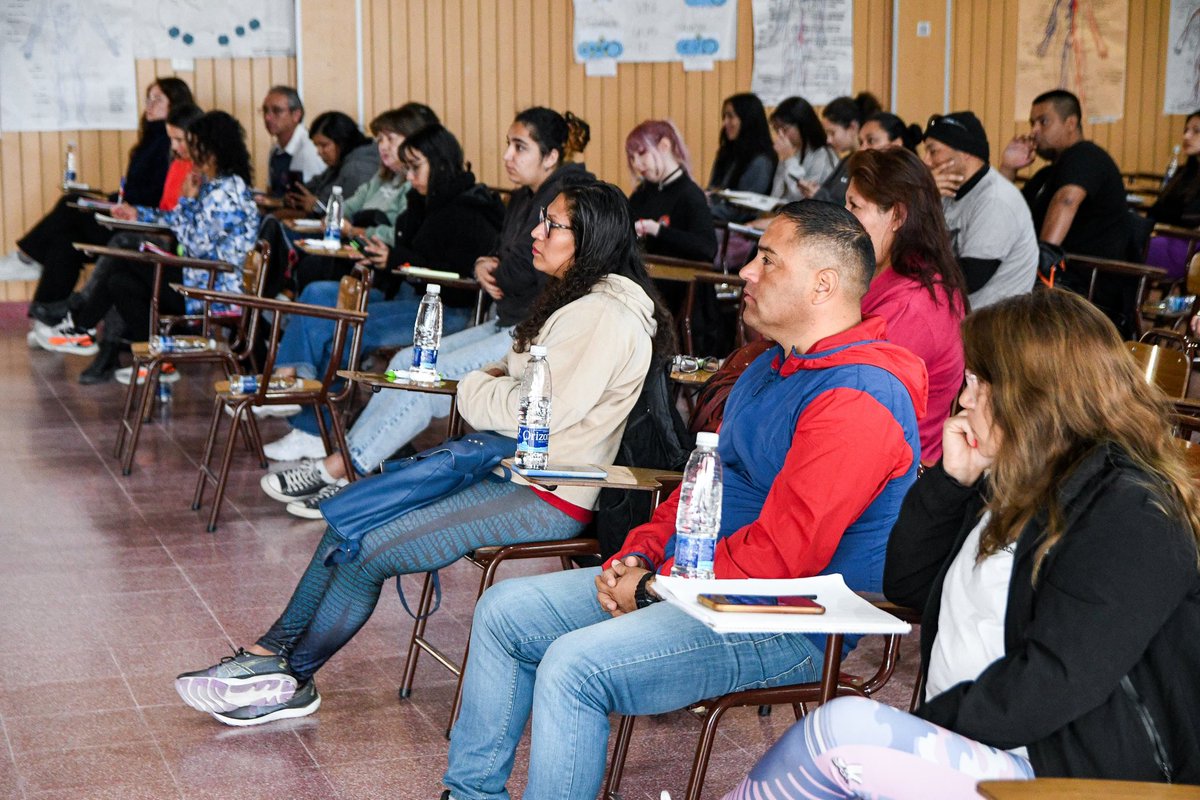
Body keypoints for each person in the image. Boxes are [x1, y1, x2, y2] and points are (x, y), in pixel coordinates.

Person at [439, 201, 927, 800]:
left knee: (574, 668)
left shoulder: (860, 395)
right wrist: (640, 556)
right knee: (504, 612)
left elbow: (784, 554)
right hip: (701, 585)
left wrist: (654, 586)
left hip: (790, 621)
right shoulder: (771, 365)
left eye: (768, 259)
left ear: (823, 284)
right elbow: (700, 487)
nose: (746, 271)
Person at [173, 180, 674, 726]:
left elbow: (532, 408)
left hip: (549, 495)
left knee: (371, 549)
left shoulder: (602, 314)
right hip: (512, 473)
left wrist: (476, 388)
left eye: (552, 225)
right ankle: (272, 656)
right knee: (351, 517)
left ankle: (292, 681)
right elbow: (516, 381)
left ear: (590, 238)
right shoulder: (580, 299)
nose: (535, 232)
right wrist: (493, 386)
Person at [721, 289, 1200, 798]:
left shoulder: (1133, 511)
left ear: (1036, 392)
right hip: (985, 745)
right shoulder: (1012, 479)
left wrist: (920, 727)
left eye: (980, 381)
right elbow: (906, 584)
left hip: (1072, 773)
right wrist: (951, 482)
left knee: (842, 735)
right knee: (849, 740)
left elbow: (1056, 681)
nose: (966, 398)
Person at [257, 108, 593, 490]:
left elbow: (518, 271)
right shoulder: (524, 198)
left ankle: (340, 470)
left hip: (533, 334)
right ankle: (346, 462)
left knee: (424, 380)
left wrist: (494, 267)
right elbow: (499, 260)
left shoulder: (567, 202)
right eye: (508, 146)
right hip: (508, 319)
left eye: (520, 147)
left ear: (550, 157)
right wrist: (491, 264)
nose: (507, 157)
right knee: (406, 362)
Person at [257, 123, 505, 469]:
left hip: (447, 312)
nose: (410, 176)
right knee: (325, 305)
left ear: (440, 163)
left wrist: (397, 258)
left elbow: (460, 272)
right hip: (412, 296)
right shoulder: (424, 201)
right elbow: (414, 254)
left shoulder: (468, 209)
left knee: (349, 328)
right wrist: (384, 254)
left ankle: (314, 429)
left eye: (416, 167)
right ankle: (297, 397)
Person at [34, 111, 258, 377]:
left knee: (125, 255)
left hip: (213, 290)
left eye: (195, 146)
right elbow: (178, 222)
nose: (190, 154)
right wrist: (140, 213)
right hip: (198, 276)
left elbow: (195, 243)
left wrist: (186, 198)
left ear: (213, 151)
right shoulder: (212, 186)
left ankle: (82, 325)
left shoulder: (227, 192)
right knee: (119, 281)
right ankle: (157, 360)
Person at [19, 77, 194, 324]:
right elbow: (137, 191)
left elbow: (155, 199)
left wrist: (123, 206)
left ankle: (31, 259)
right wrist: (113, 200)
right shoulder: (151, 141)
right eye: (148, 99)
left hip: (144, 225)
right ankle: (47, 319)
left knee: (71, 206)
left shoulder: (171, 147)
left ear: (176, 104)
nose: (150, 105)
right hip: (134, 215)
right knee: (66, 239)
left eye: (158, 99)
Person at [846, 147, 968, 466]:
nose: (843, 216)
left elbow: (855, 399)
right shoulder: (888, 272)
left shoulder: (914, 305)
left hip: (892, 471)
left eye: (854, 206)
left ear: (898, 216)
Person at [260, 103, 436, 300]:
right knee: (289, 242)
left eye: (390, 139)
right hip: (355, 245)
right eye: (379, 139)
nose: (382, 146)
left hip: (378, 262)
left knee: (311, 265)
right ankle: (271, 301)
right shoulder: (382, 176)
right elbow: (347, 206)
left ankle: (274, 304)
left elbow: (397, 234)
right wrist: (337, 221)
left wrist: (353, 231)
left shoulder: (413, 184)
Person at [999, 89, 1133, 331]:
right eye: (1032, 123)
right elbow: (1005, 213)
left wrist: (1041, 262)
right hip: (1060, 277)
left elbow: (1066, 201)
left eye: (1043, 121)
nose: (1034, 130)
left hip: (1085, 281)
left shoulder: (1086, 156)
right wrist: (1008, 169)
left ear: (1071, 123)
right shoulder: (1046, 174)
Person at [923, 111, 1038, 309]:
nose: (926, 161)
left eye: (933, 151)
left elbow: (969, 279)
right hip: (958, 314)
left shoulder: (996, 200)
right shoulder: (947, 191)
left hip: (991, 327)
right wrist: (924, 195)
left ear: (965, 152)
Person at [626, 119, 717, 263]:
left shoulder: (690, 194)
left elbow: (707, 248)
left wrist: (656, 230)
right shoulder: (641, 193)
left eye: (642, 153)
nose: (636, 164)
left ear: (664, 146)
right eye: (632, 158)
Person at [283, 111, 379, 214]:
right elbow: (316, 184)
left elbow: (350, 214)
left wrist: (317, 207)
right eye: (316, 146)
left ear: (342, 142)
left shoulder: (357, 168)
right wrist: (297, 197)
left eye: (324, 145)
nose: (318, 152)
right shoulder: (341, 160)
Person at [707, 93, 776, 222]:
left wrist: (701, 208)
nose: (725, 123)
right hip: (717, 219)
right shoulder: (727, 152)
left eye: (730, 117)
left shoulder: (760, 161)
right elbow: (713, 189)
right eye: (724, 117)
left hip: (738, 228)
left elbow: (744, 210)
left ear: (747, 120)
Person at [1148, 110, 1200, 280]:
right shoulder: (1185, 173)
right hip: (1168, 238)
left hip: (1189, 247)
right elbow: (1156, 211)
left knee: (1125, 247)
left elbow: (1189, 218)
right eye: (1186, 130)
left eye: (1196, 131)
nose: (1186, 136)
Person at [811, 92, 882, 205]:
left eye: (832, 133)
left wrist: (818, 195)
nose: (828, 140)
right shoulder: (846, 160)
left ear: (852, 127)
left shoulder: (869, 164)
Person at [768, 96, 840, 202]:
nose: (780, 135)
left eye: (784, 129)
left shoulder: (823, 154)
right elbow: (777, 192)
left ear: (802, 125)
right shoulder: (794, 149)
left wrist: (789, 159)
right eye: (776, 129)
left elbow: (802, 197)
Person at [262, 86, 325, 197]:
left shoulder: (309, 149)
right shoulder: (276, 150)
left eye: (277, 111)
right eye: (265, 111)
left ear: (296, 115)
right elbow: (271, 192)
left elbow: (310, 202)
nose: (267, 117)